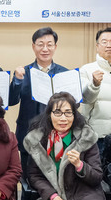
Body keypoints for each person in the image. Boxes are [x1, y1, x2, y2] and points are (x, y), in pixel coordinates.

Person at [9, 27, 69, 177]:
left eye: (49, 44)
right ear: (33, 46)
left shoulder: (64, 73)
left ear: (55, 47)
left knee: (55, 179)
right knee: (27, 179)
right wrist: (17, 80)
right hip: (28, 134)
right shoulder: (23, 72)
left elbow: (74, 106)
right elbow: (11, 100)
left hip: (57, 136)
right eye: (40, 44)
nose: (45, 49)